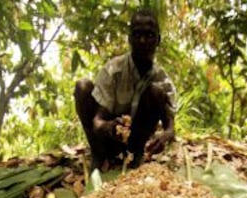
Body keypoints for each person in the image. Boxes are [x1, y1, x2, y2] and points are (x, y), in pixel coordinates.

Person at [74, 8, 176, 170]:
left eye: (149, 35)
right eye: (137, 35)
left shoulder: (162, 80)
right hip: (108, 139)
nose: (143, 41)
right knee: (82, 87)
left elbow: (170, 128)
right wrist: (108, 126)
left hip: (135, 140)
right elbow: (97, 122)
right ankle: (98, 154)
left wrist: (165, 136)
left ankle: (137, 154)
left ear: (158, 40)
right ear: (129, 39)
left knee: (156, 91)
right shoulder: (114, 70)